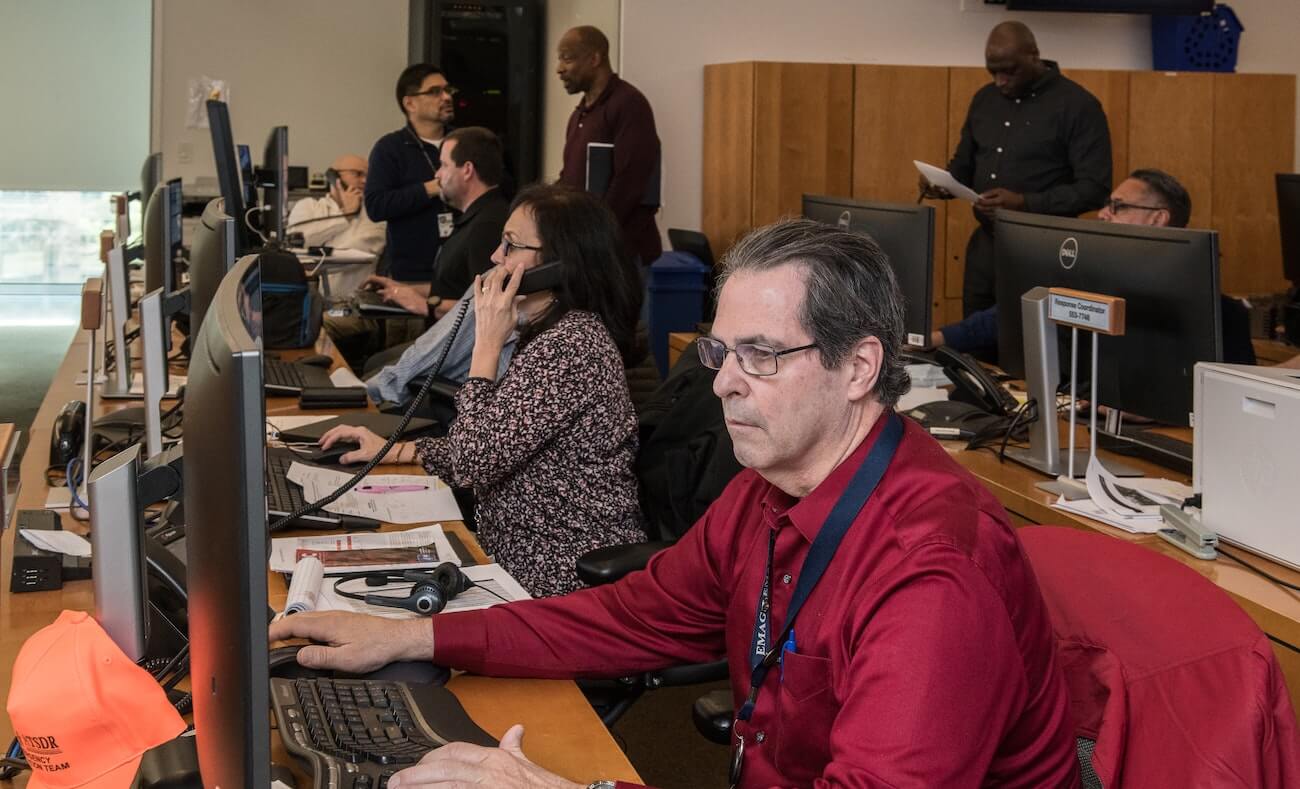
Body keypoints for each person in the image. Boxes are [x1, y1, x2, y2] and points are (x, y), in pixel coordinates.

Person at [273, 219, 1079, 787]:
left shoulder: (932, 572)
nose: (723, 380)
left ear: (860, 365)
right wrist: (414, 633)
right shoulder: (765, 495)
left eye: (761, 356)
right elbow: (624, 615)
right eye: (722, 351)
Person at [319, 184, 646, 598]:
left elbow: (475, 460)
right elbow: (491, 443)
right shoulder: (546, 335)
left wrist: (487, 346)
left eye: (511, 246)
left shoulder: (572, 346)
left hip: (559, 578)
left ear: (561, 265)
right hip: (513, 561)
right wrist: (394, 449)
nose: (495, 257)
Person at [932, 168, 1257, 366]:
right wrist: (936, 338)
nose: (1104, 214)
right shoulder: (1092, 277)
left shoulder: (1214, 310)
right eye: (1107, 205)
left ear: (1159, 218)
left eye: (1118, 207)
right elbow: (1015, 313)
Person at [927, 20, 1111, 317]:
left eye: (1009, 71)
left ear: (1035, 56)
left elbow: (1095, 189)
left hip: (1044, 251)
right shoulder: (984, 99)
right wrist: (943, 184)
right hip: (987, 246)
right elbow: (964, 164)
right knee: (973, 345)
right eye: (993, 71)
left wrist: (1024, 203)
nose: (1000, 80)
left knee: (1027, 345)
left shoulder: (1078, 105)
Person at [365, 127, 511, 324]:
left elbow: (487, 305)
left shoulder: (487, 226)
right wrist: (401, 289)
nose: (438, 175)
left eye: (443, 165)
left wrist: (426, 305)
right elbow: (455, 288)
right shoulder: (476, 217)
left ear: (467, 170)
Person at [556, 25, 662, 266]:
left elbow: (631, 182)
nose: (559, 69)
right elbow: (570, 179)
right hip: (588, 250)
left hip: (620, 254)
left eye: (567, 58)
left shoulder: (629, 104)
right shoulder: (580, 114)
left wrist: (595, 232)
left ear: (595, 58)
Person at [366, 63, 456, 284]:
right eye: (435, 91)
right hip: (411, 275)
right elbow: (376, 206)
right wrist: (430, 189)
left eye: (448, 90)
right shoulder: (390, 148)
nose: (446, 97)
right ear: (410, 103)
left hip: (462, 272)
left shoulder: (463, 143)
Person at [285, 153, 386, 295]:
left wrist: (314, 254)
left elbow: (359, 254)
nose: (364, 181)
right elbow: (296, 243)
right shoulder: (307, 206)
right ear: (334, 177)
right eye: (357, 174)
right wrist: (344, 216)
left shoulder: (374, 215)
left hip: (351, 302)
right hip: (307, 300)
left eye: (368, 176)